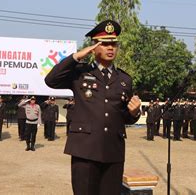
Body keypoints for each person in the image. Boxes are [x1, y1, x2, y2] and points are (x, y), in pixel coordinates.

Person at [45, 19, 142, 195]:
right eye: (104, 44)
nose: (110, 48)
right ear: (94, 47)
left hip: (113, 150)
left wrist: (134, 112)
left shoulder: (124, 79)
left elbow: (123, 116)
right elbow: (51, 80)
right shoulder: (80, 73)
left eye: (113, 44)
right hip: (85, 149)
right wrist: (77, 57)